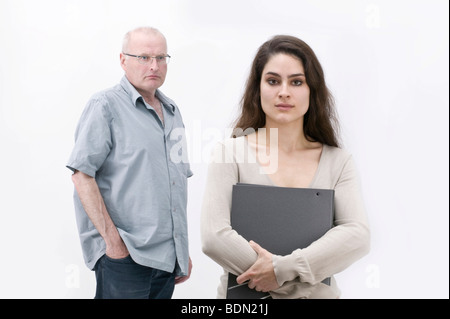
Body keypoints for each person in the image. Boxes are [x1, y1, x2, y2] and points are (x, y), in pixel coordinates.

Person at [201, 35, 370, 299]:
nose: (284, 91)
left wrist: (281, 271)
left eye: (297, 82)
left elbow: (356, 235)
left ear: (312, 90)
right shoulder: (229, 153)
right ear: (257, 89)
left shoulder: (338, 161)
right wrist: (284, 279)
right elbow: (215, 237)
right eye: (272, 81)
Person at [67, 27, 193, 299]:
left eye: (161, 58)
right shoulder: (105, 105)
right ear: (123, 60)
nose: (154, 66)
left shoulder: (173, 112)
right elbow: (81, 175)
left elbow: (177, 182)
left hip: (166, 260)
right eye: (144, 58)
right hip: (126, 257)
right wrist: (113, 244)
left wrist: (181, 250)